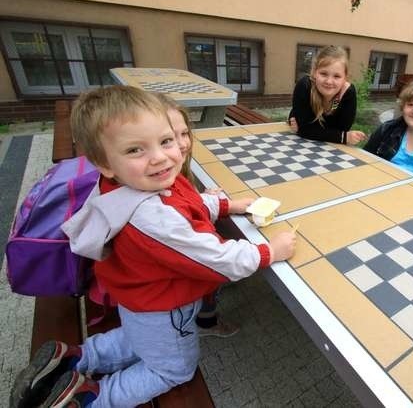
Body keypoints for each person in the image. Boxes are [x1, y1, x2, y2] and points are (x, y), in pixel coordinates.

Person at [11, 86, 296, 408]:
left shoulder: (142, 182)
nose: (160, 157)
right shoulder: (151, 218)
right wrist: (269, 252)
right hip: (165, 307)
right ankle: (90, 398)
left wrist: (224, 206)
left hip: (139, 300)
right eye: (136, 150)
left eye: (166, 141)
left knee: (138, 337)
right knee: (172, 369)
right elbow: (214, 259)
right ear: (104, 163)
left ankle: (73, 359)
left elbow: (187, 202)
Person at [156, 93, 239, 338]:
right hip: (176, 285)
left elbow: (187, 202)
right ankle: (207, 321)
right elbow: (207, 255)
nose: (182, 143)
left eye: (184, 134)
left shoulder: (169, 176)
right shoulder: (158, 187)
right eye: (168, 138)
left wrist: (211, 201)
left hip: (177, 267)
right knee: (215, 269)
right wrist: (266, 253)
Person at [288, 45, 366, 145]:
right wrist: (343, 137)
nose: (329, 81)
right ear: (315, 72)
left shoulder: (348, 93)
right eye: (323, 74)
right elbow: (305, 130)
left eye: (337, 76)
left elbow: (341, 128)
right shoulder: (305, 86)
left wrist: (309, 129)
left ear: (345, 78)